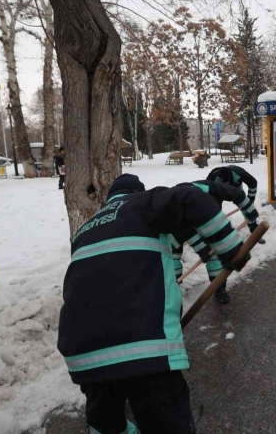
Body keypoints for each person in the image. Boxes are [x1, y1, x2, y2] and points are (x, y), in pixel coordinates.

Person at [58, 174, 250, 434]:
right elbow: (191, 197)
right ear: (137, 192)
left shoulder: (84, 230)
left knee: (105, 422)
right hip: (143, 346)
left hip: (82, 353)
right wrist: (231, 249)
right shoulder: (144, 203)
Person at [173, 177, 261, 304]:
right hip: (177, 224)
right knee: (171, 256)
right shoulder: (173, 205)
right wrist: (203, 250)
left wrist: (250, 212)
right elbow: (185, 232)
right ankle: (172, 288)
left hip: (204, 220)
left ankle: (219, 289)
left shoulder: (212, 188)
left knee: (214, 256)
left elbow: (238, 194)